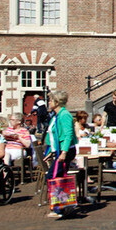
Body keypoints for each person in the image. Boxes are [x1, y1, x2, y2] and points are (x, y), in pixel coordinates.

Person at [45, 90, 75, 219]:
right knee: (55, 176)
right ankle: (61, 206)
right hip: (59, 150)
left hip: (65, 151)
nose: (49, 103)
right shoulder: (57, 115)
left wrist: (63, 153)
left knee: (54, 176)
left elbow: (68, 135)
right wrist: (51, 151)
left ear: (56, 102)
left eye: (51, 100)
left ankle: (60, 207)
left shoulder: (64, 115)